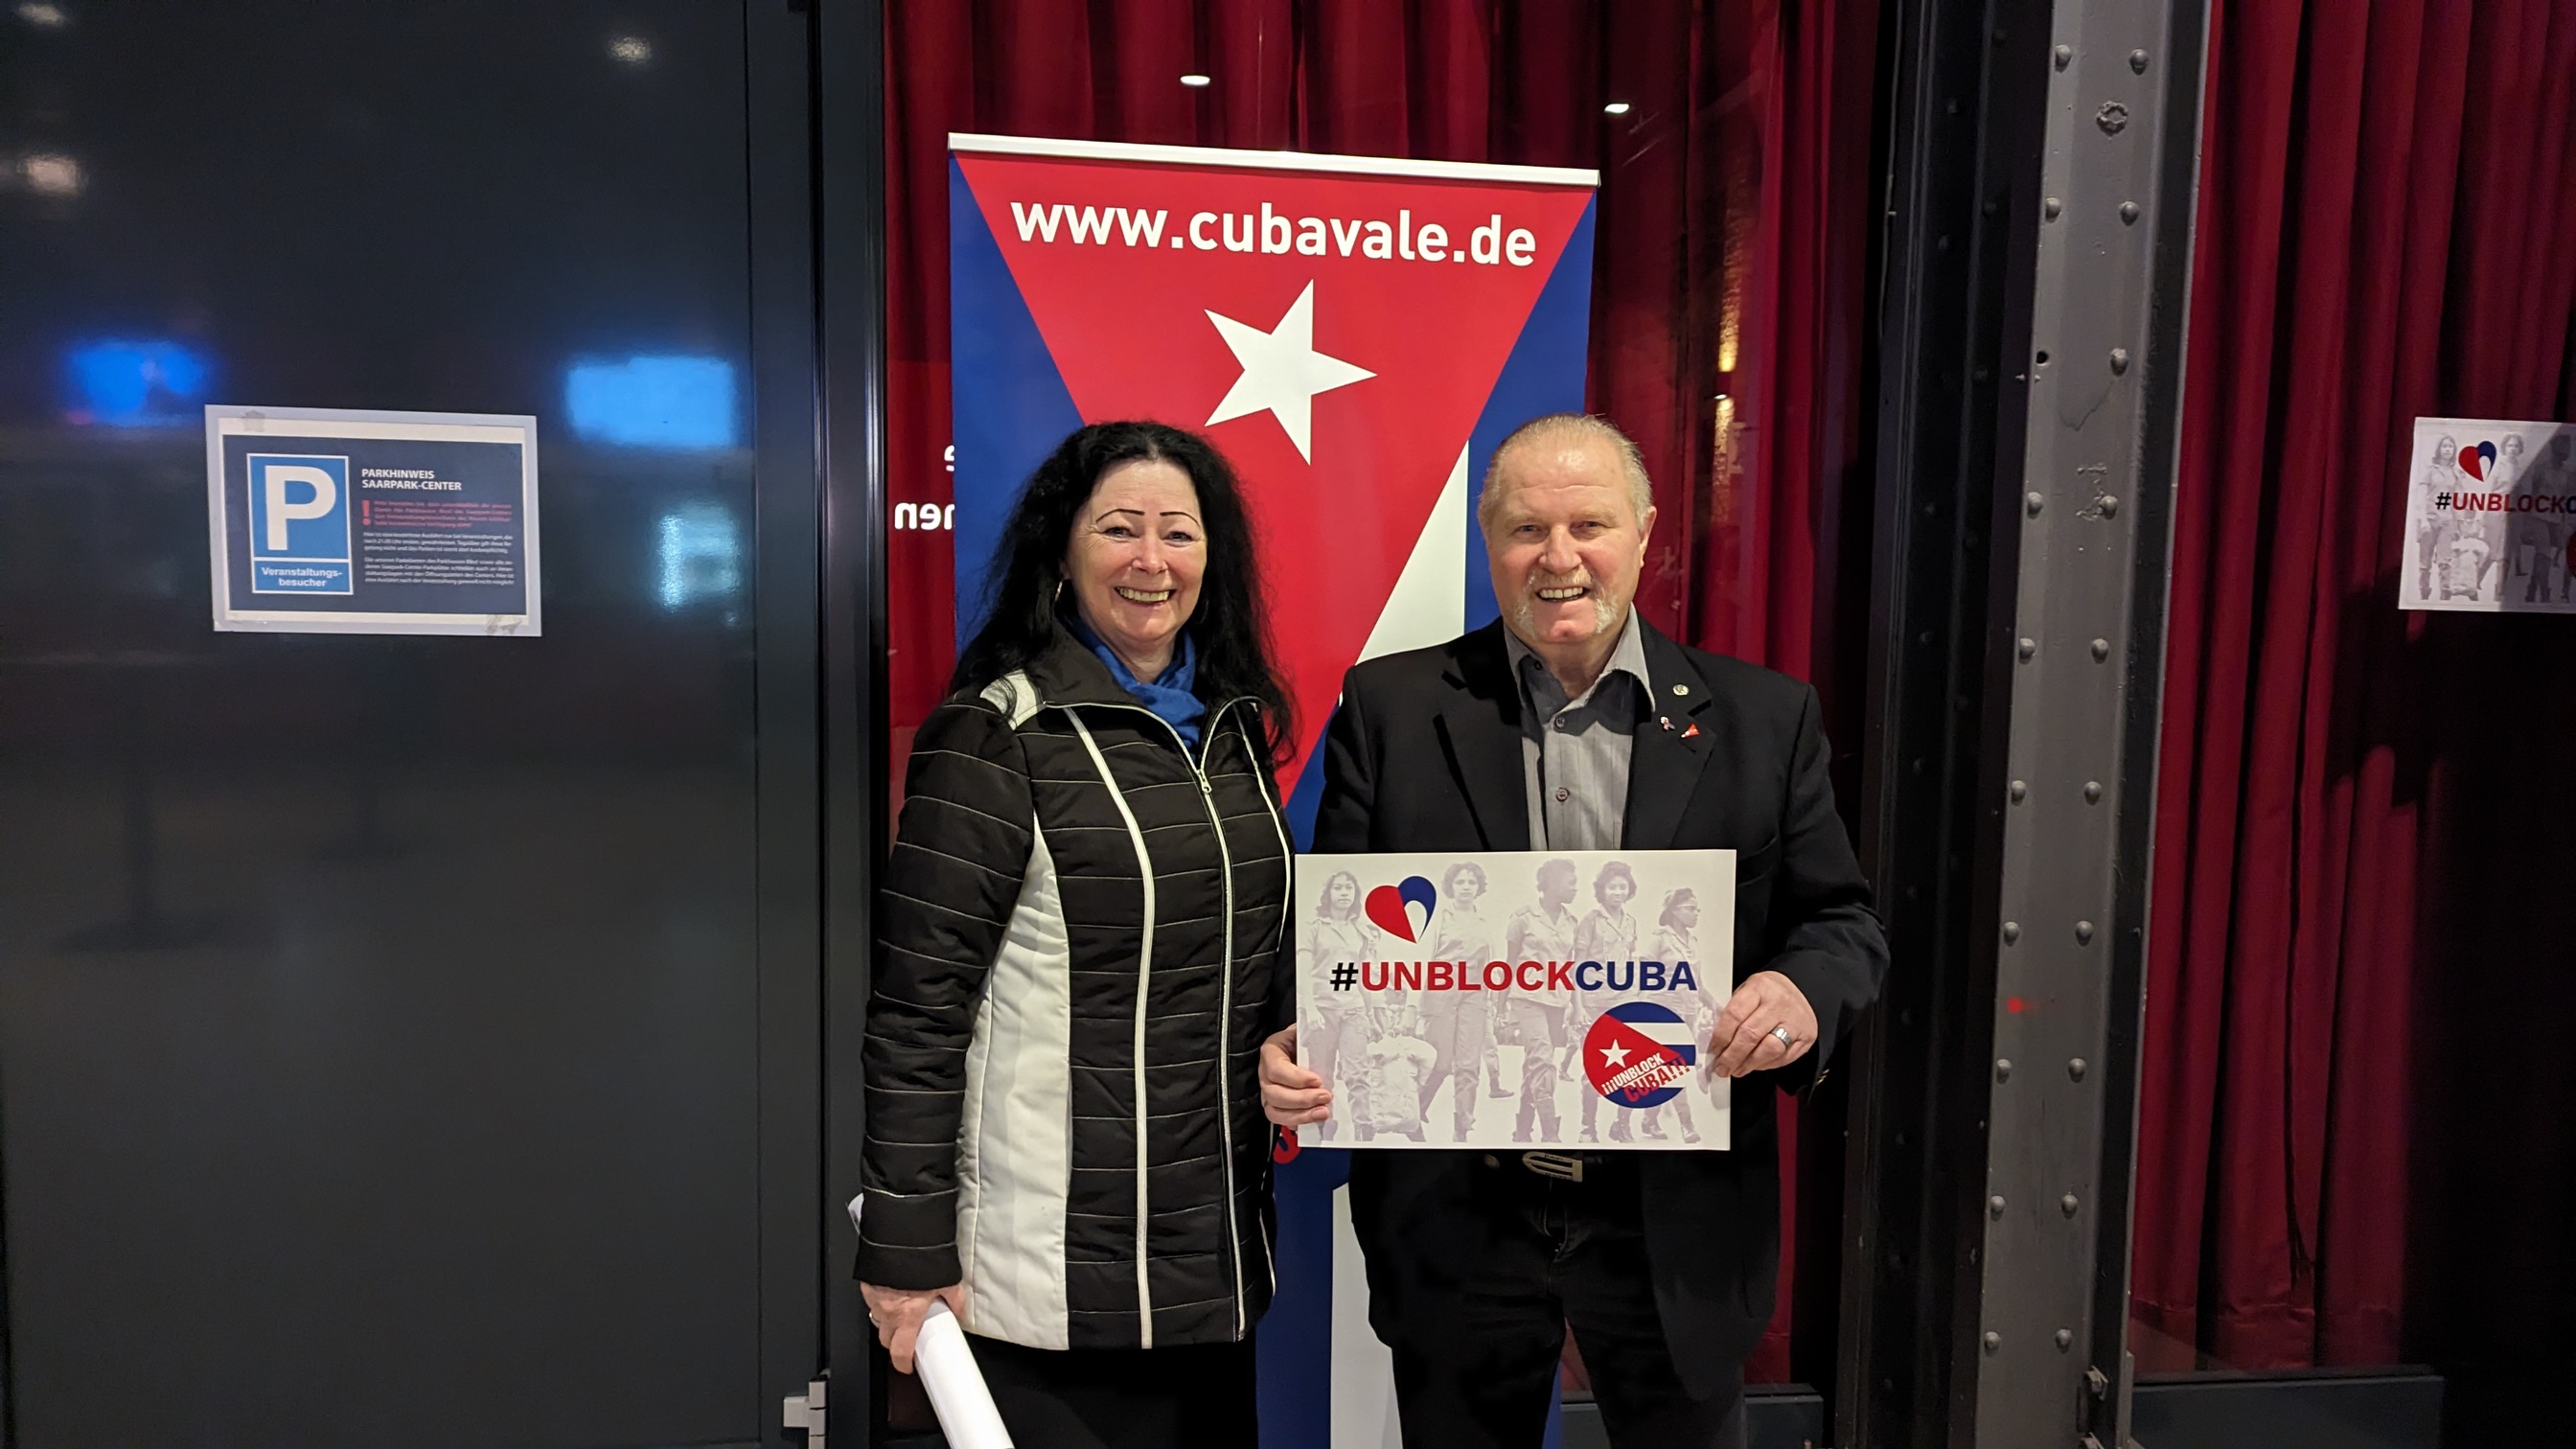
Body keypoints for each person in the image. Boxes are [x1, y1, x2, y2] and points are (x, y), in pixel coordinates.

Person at [1259, 412, 1888, 1449]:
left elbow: (1840, 921)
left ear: (1644, 534)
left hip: (1675, 1215)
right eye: (1526, 529)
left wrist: (1799, 994)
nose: (1559, 558)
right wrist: (1296, 1034)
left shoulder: (1766, 719)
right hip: (1461, 1216)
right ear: (1489, 542)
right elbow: (1337, 936)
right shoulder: (1391, 707)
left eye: (1588, 525)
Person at [858, 421, 1295, 1449]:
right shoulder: (997, 733)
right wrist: (906, 1249)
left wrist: (1288, 1040)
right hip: (1047, 1282)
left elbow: (1248, 954)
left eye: (1178, 533)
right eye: (1119, 529)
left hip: (1213, 1266)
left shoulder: (1230, 729)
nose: (1152, 560)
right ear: (1062, 550)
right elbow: (917, 1012)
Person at [1498, 858, 1582, 1140]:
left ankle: (1522, 1131)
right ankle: (1550, 1133)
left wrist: (1576, 1006)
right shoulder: (1523, 917)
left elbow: (1572, 968)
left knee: (1535, 1064)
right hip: (1527, 998)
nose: (1576, 889)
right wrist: (1501, 1007)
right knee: (1543, 1061)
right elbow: (1509, 963)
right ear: (1553, 883)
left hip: (1557, 1000)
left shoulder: (1573, 922)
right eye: (1571, 883)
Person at [1418, 861, 1500, 1137]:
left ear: (1479, 887)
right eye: (1460, 882)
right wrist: (1413, 1007)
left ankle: (1462, 1126)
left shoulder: (1486, 922)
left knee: (1468, 1064)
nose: (1466, 887)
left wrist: (1493, 999)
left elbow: (1493, 962)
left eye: (1471, 882)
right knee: (1440, 1063)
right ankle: (1416, 1110)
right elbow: (1423, 961)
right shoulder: (1438, 918)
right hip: (1441, 993)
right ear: (1451, 886)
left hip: (1475, 994)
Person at [1300, 868, 1380, 1141]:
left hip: (1353, 1009)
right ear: (1329, 893)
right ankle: (1324, 1127)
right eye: (1338, 887)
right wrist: (1310, 1008)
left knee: (1358, 1072)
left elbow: (1362, 977)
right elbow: (1303, 971)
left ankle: (1364, 1127)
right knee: (1321, 1075)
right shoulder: (1314, 928)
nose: (1344, 893)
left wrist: (1370, 1015)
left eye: (1349, 888)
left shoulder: (1360, 932)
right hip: (1322, 1009)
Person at [1567, 860, 1643, 1142]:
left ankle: (1622, 1126)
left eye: (1623, 887)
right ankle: (1588, 1128)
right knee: (1593, 1070)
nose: (1618, 892)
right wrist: (1577, 1006)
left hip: (1623, 1002)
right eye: (1612, 887)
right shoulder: (1590, 920)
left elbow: (1630, 961)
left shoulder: (1631, 922)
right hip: (1594, 1002)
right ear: (1602, 890)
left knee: (1630, 1067)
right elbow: (1577, 966)